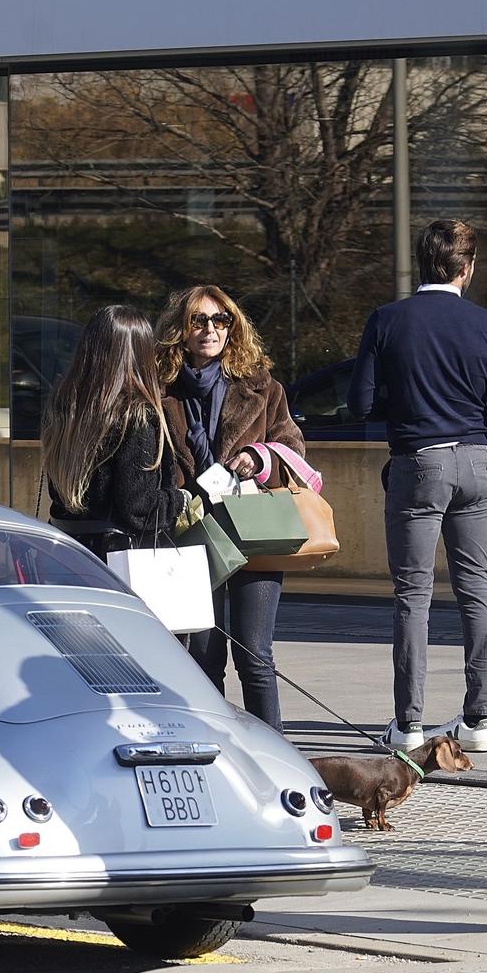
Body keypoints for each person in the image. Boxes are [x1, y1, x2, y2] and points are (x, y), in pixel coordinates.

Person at [349, 219, 487, 754]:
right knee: (477, 592)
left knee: (413, 596)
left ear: (423, 264)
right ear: (467, 269)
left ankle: (409, 724)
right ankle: (479, 720)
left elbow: (359, 403)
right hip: (474, 462)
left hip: (418, 463)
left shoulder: (387, 320)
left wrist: (405, 404)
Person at [155, 286, 305, 730]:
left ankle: (276, 753)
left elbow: (293, 444)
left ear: (232, 328)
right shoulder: (158, 389)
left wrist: (261, 457)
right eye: (198, 320)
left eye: (220, 321)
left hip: (252, 528)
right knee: (202, 653)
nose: (209, 330)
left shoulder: (262, 386)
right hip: (189, 533)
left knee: (254, 652)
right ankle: (218, 749)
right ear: (181, 329)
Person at [42, 304, 187, 553]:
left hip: (67, 550)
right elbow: (139, 508)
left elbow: (60, 495)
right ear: (141, 353)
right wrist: (178, 500)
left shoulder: (67, 410)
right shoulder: (136, 415)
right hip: (118, 560)